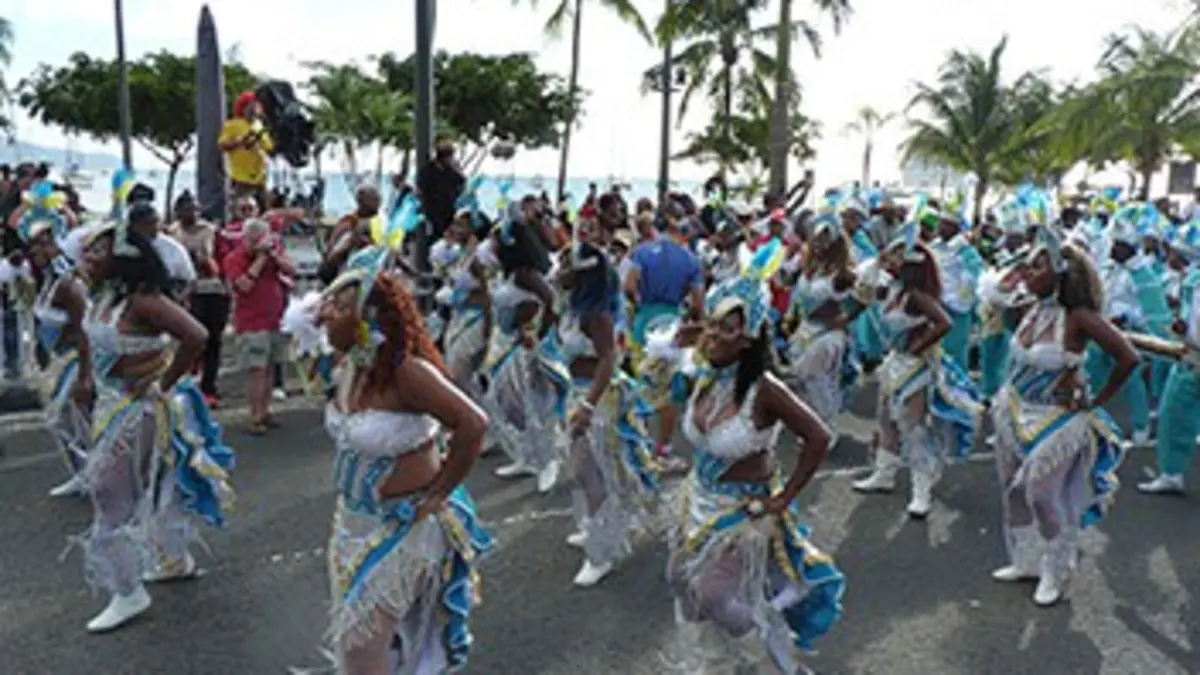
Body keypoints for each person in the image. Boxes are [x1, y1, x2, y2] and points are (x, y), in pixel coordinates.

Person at [664, 243, 843, 674]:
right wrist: (674, 352)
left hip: (744, 513)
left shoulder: (766, 389)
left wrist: (784, 498)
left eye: (724, 329)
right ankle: (716, 664)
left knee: (714, 596)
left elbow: (818, 436)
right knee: (681, 584)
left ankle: (776, 665)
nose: (710, 336)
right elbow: (665, 394)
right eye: (709, 325)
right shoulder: (705, 375)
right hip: (698, 503)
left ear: (749, 338)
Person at [318, 245, 492, 674]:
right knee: (379, 644)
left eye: (338, 306)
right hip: (351, 525)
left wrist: (438, 494)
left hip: (403, 530)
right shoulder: (350, 366)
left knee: (361, 652)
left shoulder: (407, 373)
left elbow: (472, 423)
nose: (324, 311)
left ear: (368, 318)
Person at [72, 208, 234, 633]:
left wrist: (162, 383)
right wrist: (89, 378)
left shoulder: (144, 299)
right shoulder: (107, 296)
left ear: (123, 254)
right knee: (151, 487)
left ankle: (128, 593)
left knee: (110, 496)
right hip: (112, 404)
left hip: (138, 408)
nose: (88, 255)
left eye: (98, 249)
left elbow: (197, 335)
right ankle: (172, 560)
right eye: (87, 249)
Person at [990, 229, 1133, 606]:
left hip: (1058, 419)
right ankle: (1024, 561)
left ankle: (1056, 568)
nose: (1029, 273)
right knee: (1012, 490)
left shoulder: (1079, 317)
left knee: (1040, 494)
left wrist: (1095, 398)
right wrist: (1017, 270)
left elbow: (1127, 357)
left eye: (1038, 266)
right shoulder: (1028, 308)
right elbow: (992, 296)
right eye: (1029, 266)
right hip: (1015, 410)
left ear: (1060, 273)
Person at [556, 214, 661, 587]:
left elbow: (608, 359)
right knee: (585, 470)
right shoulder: (574, 308)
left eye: (567, 266)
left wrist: (586, 407)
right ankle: (597, 527)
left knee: (591, 470)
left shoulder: (595, 314)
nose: (560, 271)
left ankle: (601, 552)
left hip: (597, 397)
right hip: (579, 391)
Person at [852, 224, 982, 518]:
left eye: (899, 255)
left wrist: (918, 346)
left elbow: (944, 322)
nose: (892, 261)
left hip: (915, 367)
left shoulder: (916, 296)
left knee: (913, 428)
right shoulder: (893, 291)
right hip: (894, 364)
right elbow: (862, 288)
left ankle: (920, 490)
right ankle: (884, 475)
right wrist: (879, 261)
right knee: (885, 419)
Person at [18, 205, 93, 498]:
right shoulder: (48, 280)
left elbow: (85, 328)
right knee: (64, 421)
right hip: (58, 362)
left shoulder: (68, 284)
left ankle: (95, 475)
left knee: (74, 417)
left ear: (55, 242)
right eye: (32, 244)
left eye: (42, 242)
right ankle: (83, 474)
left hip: (74, 360)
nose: (35, 249)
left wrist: (86, 375)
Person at [223, 218, 296, 434]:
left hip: (275, 318)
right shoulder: (235, 259)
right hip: (251, 321)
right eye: (256, 240)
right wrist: (260, 260)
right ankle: (255, 415)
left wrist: (274, 255)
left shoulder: (273, 254)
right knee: (258, 370)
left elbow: (291, 270)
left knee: (272, 366)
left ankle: (265, 411)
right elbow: (243, 286)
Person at [166, 192, 227, 407]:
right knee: (187, 338)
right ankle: (185, 382)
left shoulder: (211, 232)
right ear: (178, 212)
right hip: (184, 292)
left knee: (212, 340)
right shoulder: (172, 233)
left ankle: (209, 387)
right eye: (187, 209)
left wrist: (208, 263)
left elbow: (221, 263)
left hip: (211, 290)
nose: (192, 214)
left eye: (196, 209)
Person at [219, 91, 274, 211]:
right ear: (244, 108)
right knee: (241, 209)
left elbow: (268, 147)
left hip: (260, 177)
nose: (255, 109)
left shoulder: (259, 125)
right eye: (251, 106)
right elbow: (223, 144)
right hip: (241, 177)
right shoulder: (233, 125)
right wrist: (239, 142)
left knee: (265, 211)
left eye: (256, 106)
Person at [416, 139, 466, 242]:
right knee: (435, 236)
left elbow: (462, 183)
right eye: (450, 157)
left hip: (449, 209)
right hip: (432, 210)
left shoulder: (452, 171)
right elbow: (421, 188)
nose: (451, 159)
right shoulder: (428, 171)